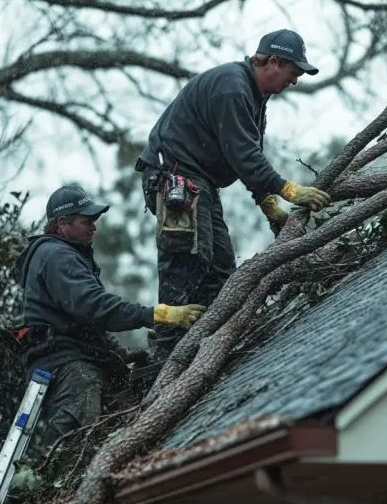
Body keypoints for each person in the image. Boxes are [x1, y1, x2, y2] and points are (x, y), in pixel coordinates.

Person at [136, 29, 334, 363]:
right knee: (188, 260)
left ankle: (210, 340)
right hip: (175, 177)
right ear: (273, 61)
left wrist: (269, 205)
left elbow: (244, 154)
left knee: (221, 267)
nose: (295, 81)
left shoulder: (254, 97)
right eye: (293, 72)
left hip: (200, 182)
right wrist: (287, 190)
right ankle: (165, 355)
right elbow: (243, 154)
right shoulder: (232, 87)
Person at [13, 184, 206, 448]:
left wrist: (119, 356)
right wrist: (156, 314)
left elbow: (88, 324)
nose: (93, 227)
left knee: (124, 404)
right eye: (86, 221)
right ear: (62, 224)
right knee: (75, 436)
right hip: (64, 366)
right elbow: (95, 307)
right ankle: (52, 479)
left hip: (75, 355)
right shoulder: (57, 256)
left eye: (94, 220)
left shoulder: (65, 254)